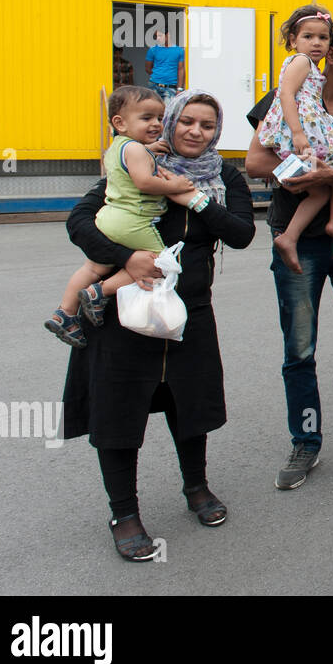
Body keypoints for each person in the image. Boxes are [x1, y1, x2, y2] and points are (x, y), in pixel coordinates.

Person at [62, 90, 255, 561]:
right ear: (170, 121)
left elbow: (242, 233)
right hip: (123, 314)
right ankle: (124, 513)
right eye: (186, 121)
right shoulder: (139, 162)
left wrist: (195, 198)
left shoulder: (223, 176)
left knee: (189, 406)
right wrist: (125, 257)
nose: (195, 131)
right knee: (118, 414)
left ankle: (197, 488)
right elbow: (80, 222)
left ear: (217, 132)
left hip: (188, 313)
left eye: (207, 125)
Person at [245, 24, 333, 490]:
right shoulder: (285, 101)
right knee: (299, 349)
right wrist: (308, 172)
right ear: (329, 56)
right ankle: (305, 440)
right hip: (297, 240)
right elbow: (256, 163)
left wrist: (329, 174)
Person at [46, 86, 196, 348]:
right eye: (146, 118)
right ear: (119, 122)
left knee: (93, 267)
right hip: (132, 219)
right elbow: (144, 182)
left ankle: (65, 313)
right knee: (160, 263)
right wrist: (177, 186)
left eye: (160, 118)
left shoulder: (120, 147)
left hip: (109, 217)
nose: (156, 124)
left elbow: (132, 159)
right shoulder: (137, 151)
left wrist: (148, 148)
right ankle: (99, 292)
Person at [255, 5, 333, 273]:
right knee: (330, 177)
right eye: (308, 37)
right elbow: (287, 94)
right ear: (292, 41)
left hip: (310, 126)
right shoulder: (300, 62)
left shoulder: (312, 68)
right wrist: (298, 133)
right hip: (300, 131)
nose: (316, 43)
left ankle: (330, 223)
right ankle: (291, 235)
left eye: (323, 37)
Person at [144, 28, 185, 102]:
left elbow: (181, 69)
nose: (158, 39)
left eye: (160, 36)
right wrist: (158, 75)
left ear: (168, 35)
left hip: (171, 87)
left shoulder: (179, 50)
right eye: (156, 36)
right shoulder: (153, 50)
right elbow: (147, 68)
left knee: (168, 111)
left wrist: (179, 88)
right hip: (154, 85)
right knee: (153, 110)